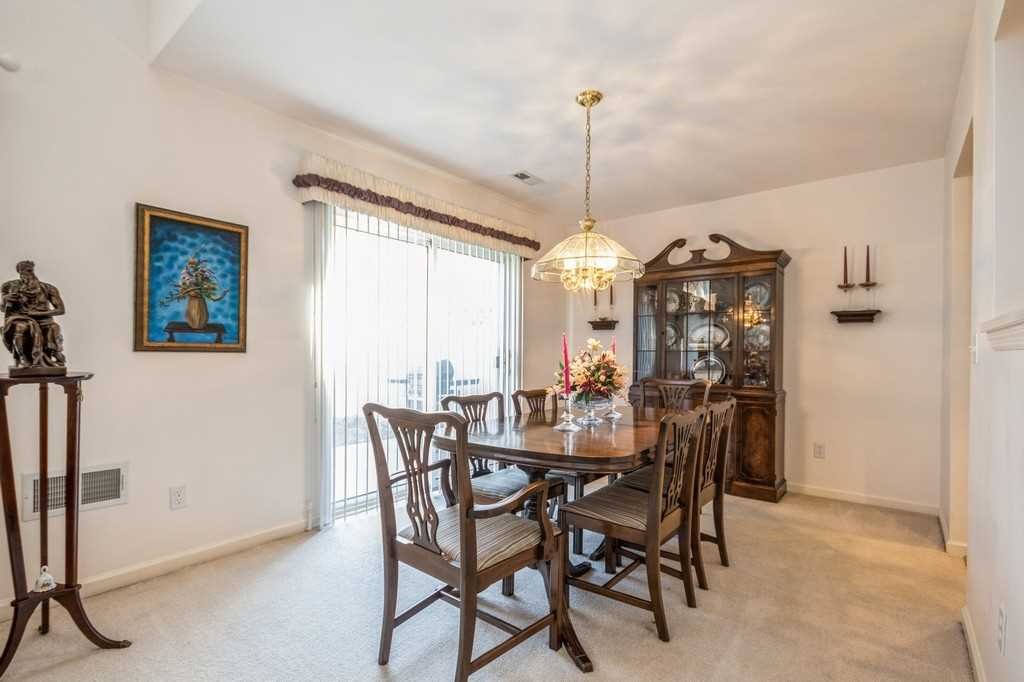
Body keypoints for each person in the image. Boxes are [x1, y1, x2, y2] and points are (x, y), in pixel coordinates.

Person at [1, 261, 66, 371]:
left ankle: (55, 355)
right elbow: (3, 308)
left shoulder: (48, 288)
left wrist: (38, 314)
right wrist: (7, 299)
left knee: (54, 327)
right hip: (19, 317)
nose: (28, 274)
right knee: (21, 327)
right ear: (19, 272)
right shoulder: (10, 286)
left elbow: (60, 310)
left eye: (30, 271)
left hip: (44, 320)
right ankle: (22, 357)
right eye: (24, 271)